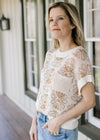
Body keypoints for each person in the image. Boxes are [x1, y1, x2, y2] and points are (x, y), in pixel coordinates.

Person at [29, 2, 96, 140]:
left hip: (60, 130)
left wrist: (58, 121)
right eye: (51, 19)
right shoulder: (51, 54)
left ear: (72, 24)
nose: (53, 23)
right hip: (41, 123)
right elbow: (43, 92)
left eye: (60, 18)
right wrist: (34, 121)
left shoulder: (78, 55)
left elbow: (90, 101)